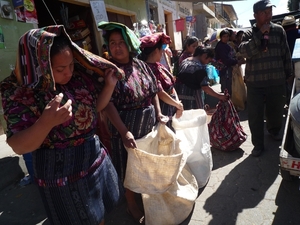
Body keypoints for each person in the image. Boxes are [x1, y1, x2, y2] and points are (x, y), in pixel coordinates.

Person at [0, 25, 124, 225]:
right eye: (60, 69)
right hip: (63, 178)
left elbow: (95, 107)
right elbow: (18, 145)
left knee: (99, 215)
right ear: (40, 64)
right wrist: (46, 123)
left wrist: (109, 85)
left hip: (93, 162)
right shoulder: (18, 91)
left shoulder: (78, 79)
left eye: (71, 65)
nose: (68, 73)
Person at [98, 21, 168, 225]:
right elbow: (108, 105)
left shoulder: (142, 65)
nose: (117, 47)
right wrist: (123, 131)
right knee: (128, 165)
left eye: (121, 42)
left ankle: (146, 193)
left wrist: (159, 114)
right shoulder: (108, 70)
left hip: (147, 125)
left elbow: (154, 91)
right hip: (125, 126)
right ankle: (131, 203)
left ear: (129, 44)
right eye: (112, 43)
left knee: (145, 163)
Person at [238, 0, 293, 157]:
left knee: (275, 111)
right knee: (255, 116)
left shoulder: (279, 30)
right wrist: (260, 34)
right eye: (264, 12)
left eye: (270, 11)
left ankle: (274, 130)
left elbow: (286, 53)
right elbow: (243, 52)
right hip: (255, 84)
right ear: (256, 15)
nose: (268, 15)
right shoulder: (249, 33)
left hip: (276, 81)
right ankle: (258, 145)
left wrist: (289, 74)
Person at [139, 32, 184, 129]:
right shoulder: (148, 69)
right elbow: (160, 93)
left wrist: (177, 103)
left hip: (171, 105)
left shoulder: (158, 66)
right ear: (156, 51)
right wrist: (178, 104)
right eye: (161, 50)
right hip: (162, 109)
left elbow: (171, 87)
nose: (162, 53)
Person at [215, 29, 244, 96]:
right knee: (226, 90)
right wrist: (237, 61)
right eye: (224, 36)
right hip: (225, 70)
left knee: (228, 88)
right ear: (221, 37)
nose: (226, 38)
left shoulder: (225, 45)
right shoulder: (221, 46)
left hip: (227, 69)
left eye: (227, 36)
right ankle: (225, 105)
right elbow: (226, 60)